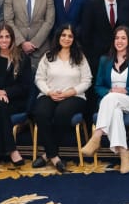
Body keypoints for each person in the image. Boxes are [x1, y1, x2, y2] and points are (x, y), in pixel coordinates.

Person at [81, 25, 129, 173]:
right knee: (115, 111)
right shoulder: (105, 60)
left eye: (123, 38)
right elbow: (98, 86)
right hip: (110, 102)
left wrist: (126, 90)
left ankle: (97, 136)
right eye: (117, 38)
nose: (119, 41)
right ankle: (124, 153)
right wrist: (109, 91)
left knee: (112, 99)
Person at [31, 24, 91, 172]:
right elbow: (39, 79)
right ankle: (54, 157)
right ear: (58, 37)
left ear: (74, 39)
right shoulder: (48, 56)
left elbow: (87, 80)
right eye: (63, 35)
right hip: (50, 94)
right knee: (40, 113)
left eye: (70, 36)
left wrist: (71, 92)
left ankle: (46, 155)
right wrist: (49, 92)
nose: (66, 38)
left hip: (74, 96)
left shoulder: (80, 57)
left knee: (62, 113)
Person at [0, 23, 32, 166]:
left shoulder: (22, 58)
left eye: (7, 37)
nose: (4, 40)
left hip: (15, 101)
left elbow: (25, 86)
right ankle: (11, 150)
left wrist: (6, 92)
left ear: (12, 39)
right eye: (1, 37)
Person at [3, 0, 56, 73]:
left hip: (41, 50)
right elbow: (8, 20)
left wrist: (34, 43)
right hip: (17, 48)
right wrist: (22, 42)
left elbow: (49, 21)